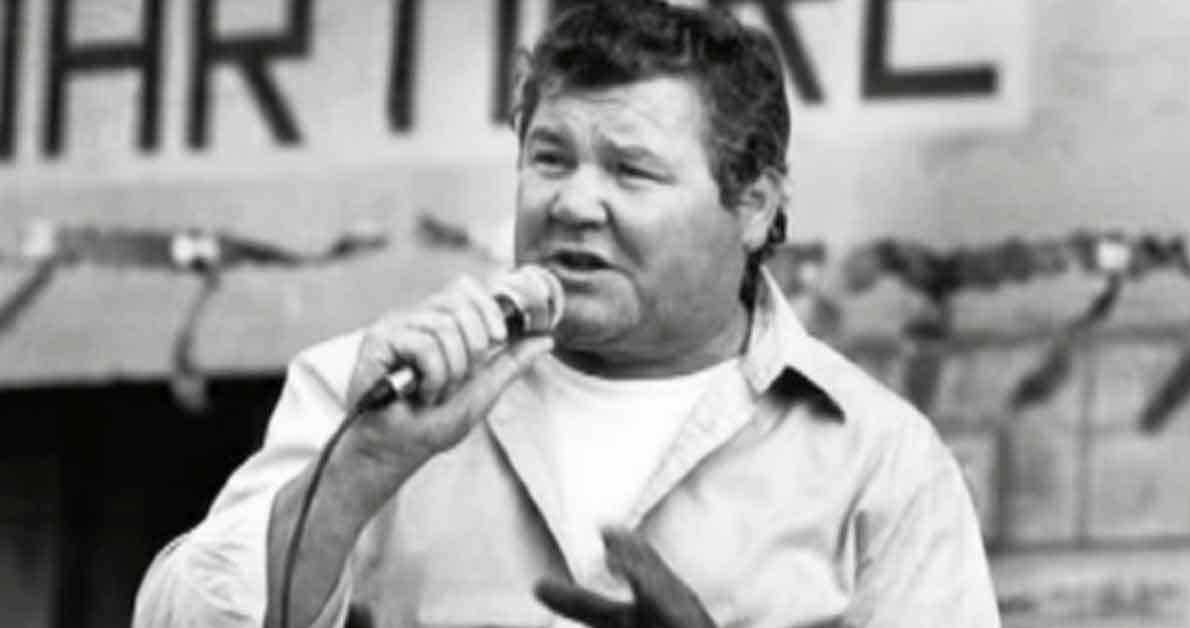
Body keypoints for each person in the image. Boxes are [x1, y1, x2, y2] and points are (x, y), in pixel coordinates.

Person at [134, 2, 1000, 627]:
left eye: (631, 171)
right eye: (550, 159)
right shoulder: (377, 387)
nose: (575, 203)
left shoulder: (879, 460)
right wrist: (359, 470)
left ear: (753, 205)